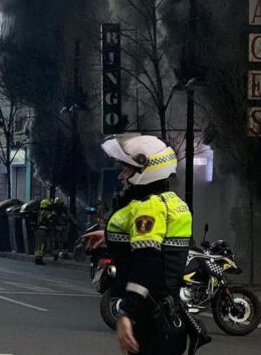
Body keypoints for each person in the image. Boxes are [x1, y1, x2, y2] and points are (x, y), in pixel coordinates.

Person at [86, 134, 210, 355]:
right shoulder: (170, 201)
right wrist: (109, 236)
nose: (121, 176)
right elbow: (159, 243)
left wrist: (127, 313)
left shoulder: (147, 207)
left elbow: (148, 263)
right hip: (166, 316)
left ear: (146, 171)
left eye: (127, 170)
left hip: (152, 320)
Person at [34, 198, 53, 265]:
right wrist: (53, 214)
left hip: (39, 230)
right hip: (43, 230)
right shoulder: (44, 212)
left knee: (39, 245)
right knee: (42, 245)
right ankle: (39, 259)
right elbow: (50, 218)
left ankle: (37, 258)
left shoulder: (40, 211)